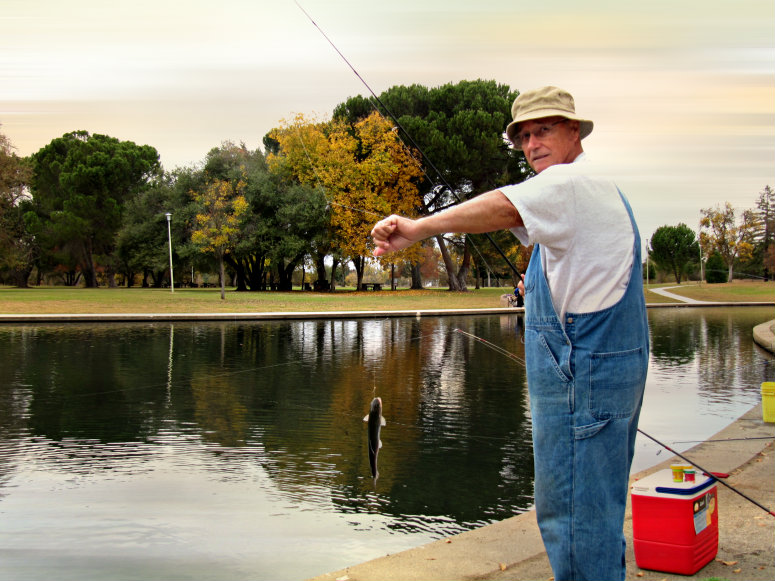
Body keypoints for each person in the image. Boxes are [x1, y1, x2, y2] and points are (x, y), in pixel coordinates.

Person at [370, 86, 649, 581]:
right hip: (603, 380)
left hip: (580, 387)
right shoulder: (598, 190)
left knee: (573, 517)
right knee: (597, 511)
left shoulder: (568, 185)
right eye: (522, 136)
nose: (531, 144)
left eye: (543, 130)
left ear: (573, 131)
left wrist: (417, 228)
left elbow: (503, 207)